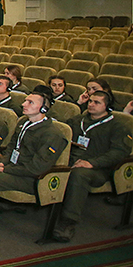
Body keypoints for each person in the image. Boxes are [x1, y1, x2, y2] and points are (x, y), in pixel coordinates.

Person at [0, 89, 67, 235]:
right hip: (13, 168)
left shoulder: (52, 134)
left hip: (31, 178)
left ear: (43, 109)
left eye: (30, 102)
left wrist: (6, 169)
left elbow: (36, 168)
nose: (23, 104)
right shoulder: (23, 123)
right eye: (25, 101)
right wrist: (3, 163)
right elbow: (11, 148)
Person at [53, 91, 132, 241]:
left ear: (107, 106)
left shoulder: (117, 126)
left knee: (79, 174)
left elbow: (119, 153)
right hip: (73, 159)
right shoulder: (79, 120)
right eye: (90, 101)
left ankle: (68, 222)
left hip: (99, 168)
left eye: (97, 102)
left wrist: (92, 163)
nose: (91, 105)